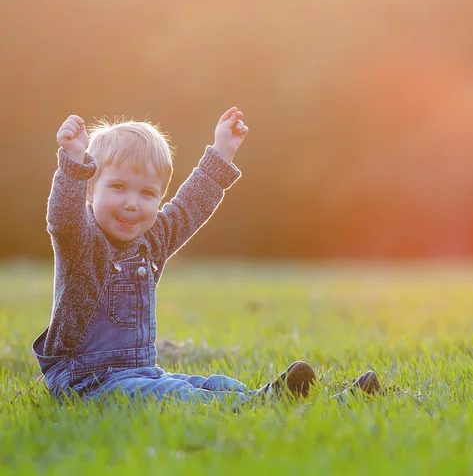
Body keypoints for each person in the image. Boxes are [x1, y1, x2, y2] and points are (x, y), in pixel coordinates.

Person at [32, 108, 381, 406]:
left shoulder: (151, 241)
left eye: (147, 193)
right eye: (118, 187)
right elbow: (62, 218)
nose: (131, 203)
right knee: (171, 393)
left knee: (210, 383)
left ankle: (324, 399)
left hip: (139, 371)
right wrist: (73, 165)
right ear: (92, 189)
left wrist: (222, 152)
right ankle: (260, 403)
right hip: (84, 381)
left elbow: (189, 207)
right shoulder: (82, 240)